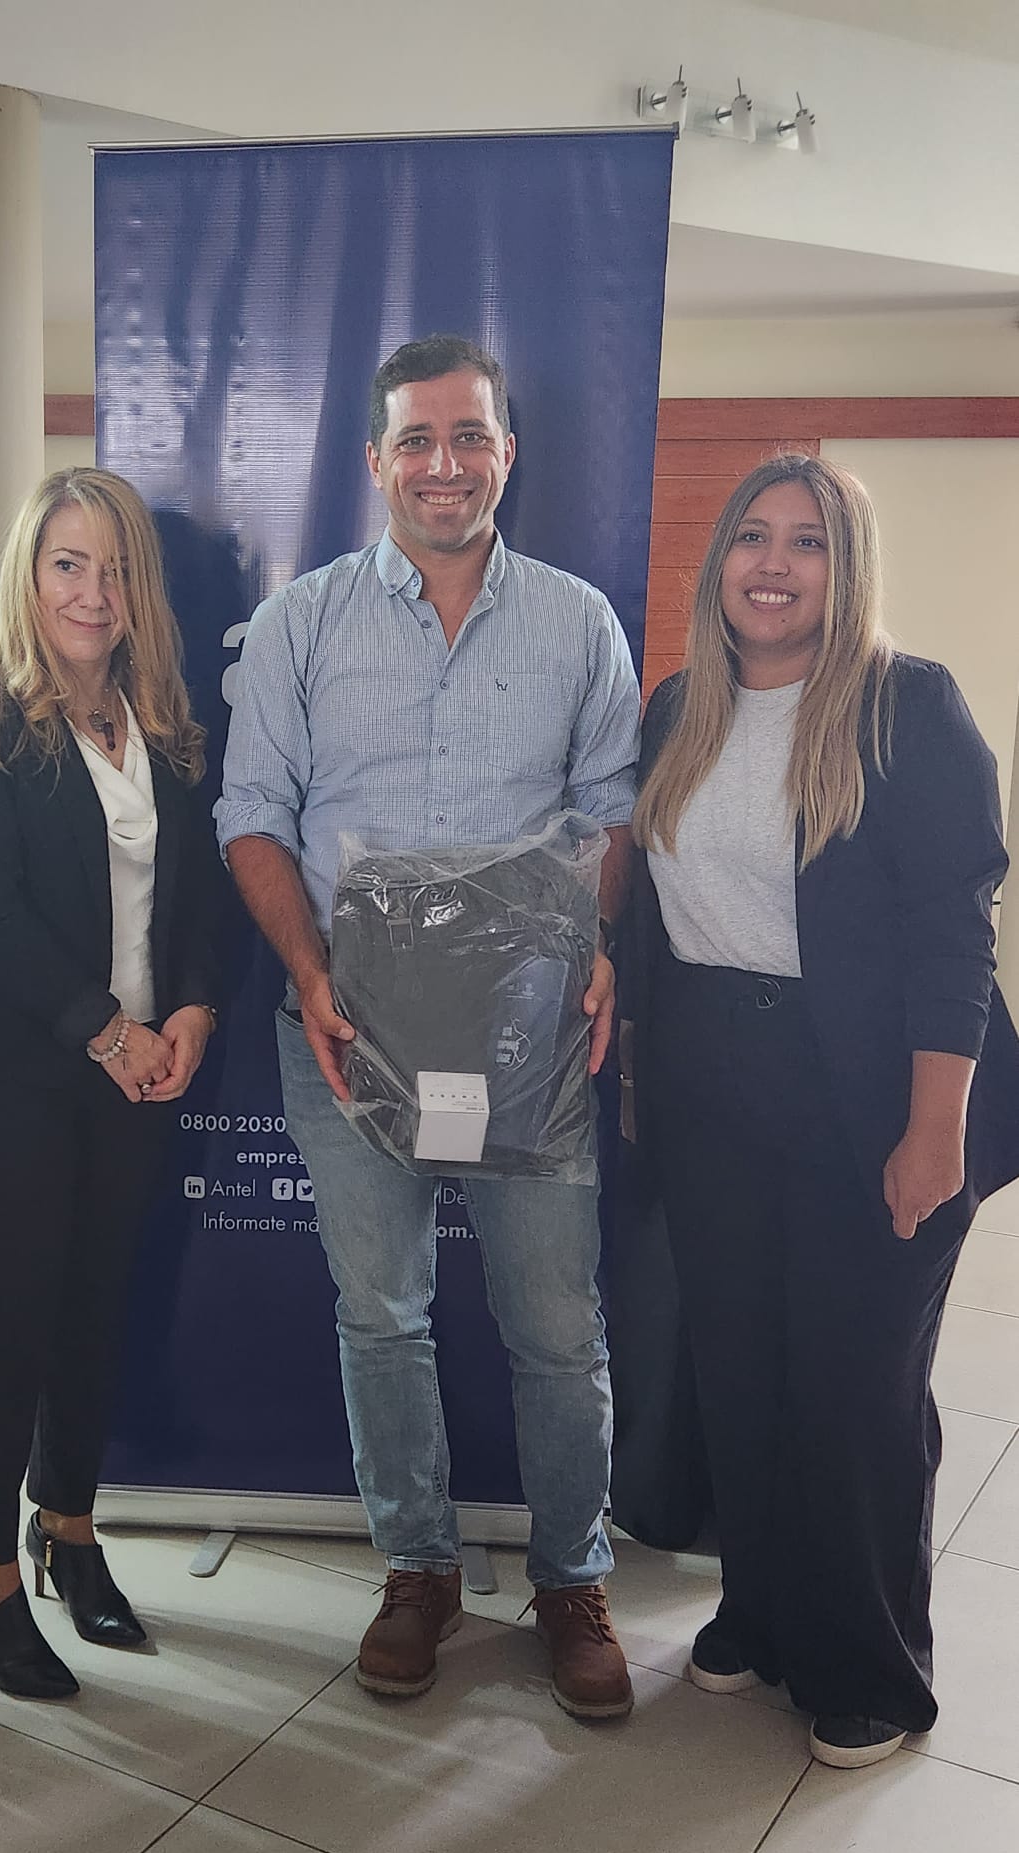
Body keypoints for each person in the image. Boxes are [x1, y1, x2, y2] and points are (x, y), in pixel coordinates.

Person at [216, 333, 641, 1716]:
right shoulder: (302, 623)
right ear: (376, 459)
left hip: (530, 1038)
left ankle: (573, 1579)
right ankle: (417, 1565)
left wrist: (597, 945)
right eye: (417, 438)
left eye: (469, 436)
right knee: (381, 1314)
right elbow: (251, 814)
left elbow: (612, 811)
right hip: (349, 1029)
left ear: (507, 451)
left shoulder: (578, 621)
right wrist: (308, 968)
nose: (443, 464)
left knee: (556, 1322)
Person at [628, 453, 1019, 1768]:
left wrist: (934, 1129)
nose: (776, 563)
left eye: (809, 541)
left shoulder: (910, 706)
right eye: (754, 535)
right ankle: (758, 1609)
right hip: (714, 1087)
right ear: (721, 561)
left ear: (848, 572)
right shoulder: (680, 706)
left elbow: (953, 934)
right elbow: (653, 907)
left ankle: (869, 1667)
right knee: (740, 1370)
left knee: (855, 1388)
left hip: (876, 1089)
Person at [0, 467, 222, 1700]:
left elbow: (197, 893)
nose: (92, 593)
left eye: (115, 569)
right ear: (28, 576)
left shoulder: (166, 722)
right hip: (12, 1075)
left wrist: (191, 1008)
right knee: (11, 1326)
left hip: (139, 1073)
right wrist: (108, 1032)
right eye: (67, 565)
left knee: (96, 1306)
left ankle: (69, 1527)